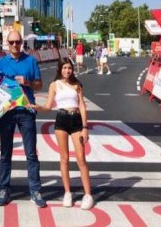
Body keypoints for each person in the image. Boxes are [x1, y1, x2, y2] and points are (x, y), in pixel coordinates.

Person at [0, 30, 46, 208]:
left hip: (26, 111)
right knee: (5, 153)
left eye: (17, 42)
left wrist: (27, 82)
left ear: (22, 43)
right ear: (7, 42)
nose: (14, 45)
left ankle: (35, 190)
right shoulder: (1, 62)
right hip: (7, 112)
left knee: (31, 153)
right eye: (11, 42)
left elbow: (39, 84)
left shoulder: (31, 60)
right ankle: (4, 188)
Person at [33, 57, 94, 209]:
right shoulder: (54, 85)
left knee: (81, 158)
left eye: (69, 68)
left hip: (76, 121)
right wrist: (37, 107)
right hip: (61, 120)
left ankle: (88, 194)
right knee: (64, 158)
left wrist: (85, 128)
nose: (67, 71)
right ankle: (67, 192)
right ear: (60, 69)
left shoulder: (77, 85)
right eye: (64, 68)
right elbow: (48, 106)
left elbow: (82, 106)